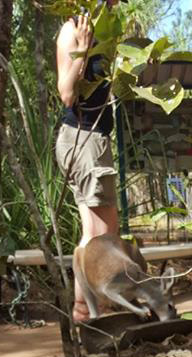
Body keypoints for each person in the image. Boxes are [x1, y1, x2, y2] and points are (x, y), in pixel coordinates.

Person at [55, 1, 122, 321]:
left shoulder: (103, 30)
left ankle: (89, 312)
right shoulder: (72, 30)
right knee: (101, 236)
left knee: (98, 234)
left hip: (93, 139)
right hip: (82, 139)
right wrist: (82, 48)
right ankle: (88, 312)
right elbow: (66, 93)